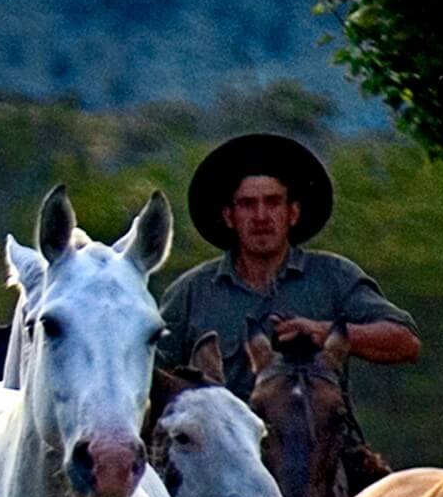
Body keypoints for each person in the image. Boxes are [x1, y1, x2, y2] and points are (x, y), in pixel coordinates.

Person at [158, 131, 420, 396]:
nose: (261, 216)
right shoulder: (191, 291)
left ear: (292, 213)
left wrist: (326, 332)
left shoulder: (334, 276)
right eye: (248, 205)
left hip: (319, 435)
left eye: (272, 202)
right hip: (225, 435)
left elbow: (405, 342)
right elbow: (151, 373)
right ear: (229, 216)